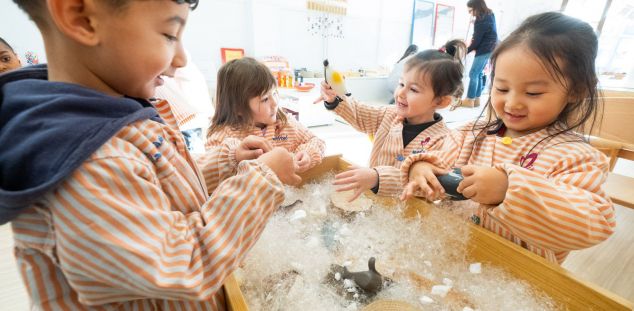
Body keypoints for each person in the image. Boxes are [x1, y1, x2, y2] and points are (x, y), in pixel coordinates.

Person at [0, 0, 301, 309]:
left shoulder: (113, 108)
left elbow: (160, 177)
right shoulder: (82, 158)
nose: (182, 59)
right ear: (81, 18)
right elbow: (184, 264)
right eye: (170, 35)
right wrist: (262, 179)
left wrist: (229, 161)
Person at [400, 12, 615, 264]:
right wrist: (419, 167)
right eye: (501, 88)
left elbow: (594, 223)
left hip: (514, 275)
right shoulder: (471, 133)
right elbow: (435, 162)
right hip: (450, 257)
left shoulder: (576, 157)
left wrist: (509, 190)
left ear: (576, 91)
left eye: (533, 93)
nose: (512, 102)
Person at [316, 40, 466, 201]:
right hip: (375, 206)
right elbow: (359, 113)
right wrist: (335, 99)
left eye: (413, 89)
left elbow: (424, 181)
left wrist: (377, 177)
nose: (401, 93)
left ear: (440, 101)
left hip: (410, 216)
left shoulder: (444, 141)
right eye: (401, 83)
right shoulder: (389, 115)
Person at [206, 57, 325, 177]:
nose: (274, 103)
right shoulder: (224, 136)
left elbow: (316, 141)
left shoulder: (285, 123)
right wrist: (234, 157)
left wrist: (307, 155)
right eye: (265, 99)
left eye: (274, 93)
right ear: (239, 108)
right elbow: (211, 168)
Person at [450, 0, 498, 110]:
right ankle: (476, 99)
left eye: (471, 10)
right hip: (490, 47)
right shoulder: (489, 15)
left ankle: (469, 100)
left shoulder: (480, 20)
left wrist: (464, 52)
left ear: (477, 7)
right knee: (479, 73)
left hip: (484, 48)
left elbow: (476, 41)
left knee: (473, 73)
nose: (470, 13)